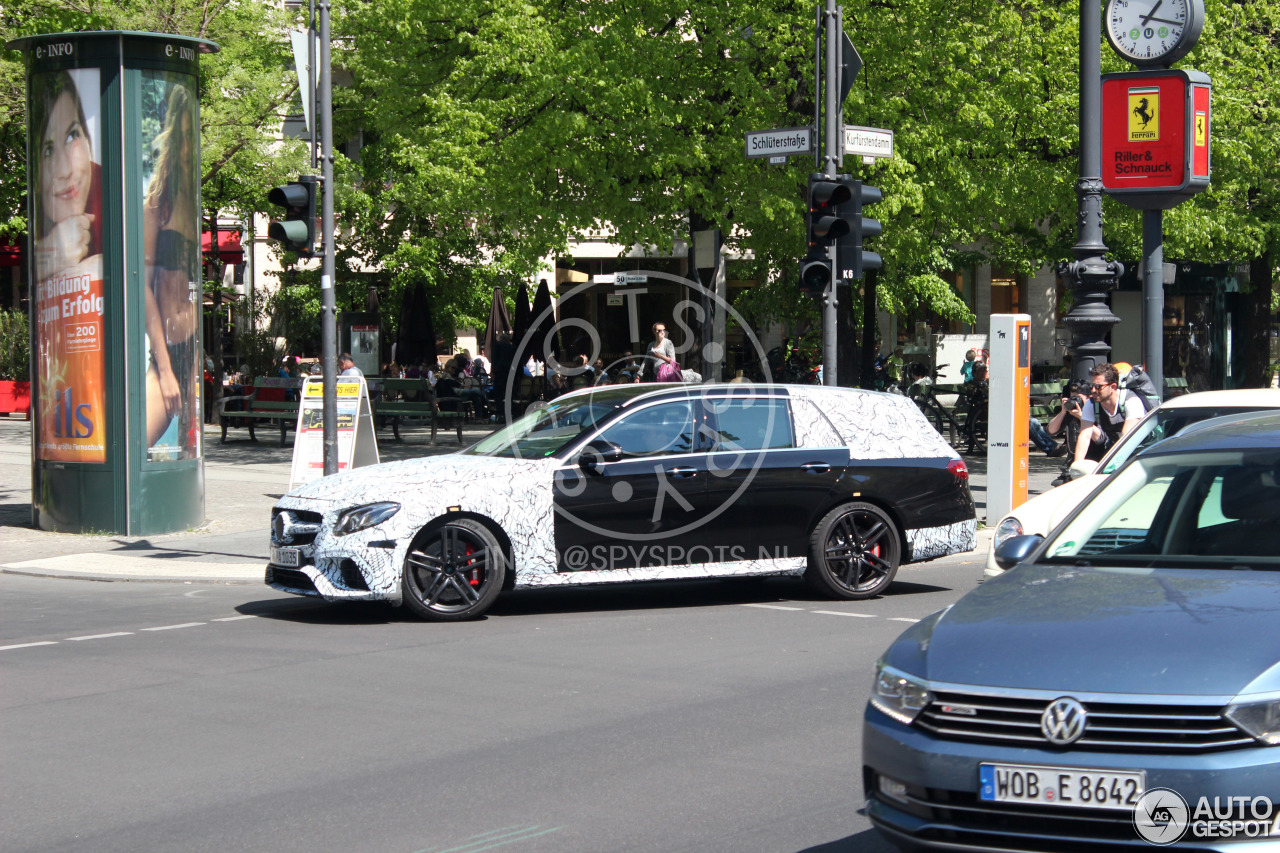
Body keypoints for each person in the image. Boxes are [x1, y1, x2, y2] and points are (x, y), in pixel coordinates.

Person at [142, 82, 201, 453]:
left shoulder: (194, 201)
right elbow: (142, 287)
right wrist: (164, 369)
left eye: (192, 139)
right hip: (167, 345)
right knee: (138, 443)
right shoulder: (156, 204)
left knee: (189, 451)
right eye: (180, 139)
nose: (186, 149)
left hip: (193, 346)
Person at [33, 70, 103, 282]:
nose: (65, 171)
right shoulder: (33, 210)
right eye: (48, 150)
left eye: (72, 135)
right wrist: (50, 256)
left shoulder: (114, 191)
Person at [1070, 362, 1145, 463]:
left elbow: (1126, 437)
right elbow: (1085, 435)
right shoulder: (1091, 404)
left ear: (1113, 387)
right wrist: (1077, 466)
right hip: (1115, 450)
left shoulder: (1131, 401)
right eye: (1091, 386)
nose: (1093, 390)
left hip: (1141, 452)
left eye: (1098, 386)